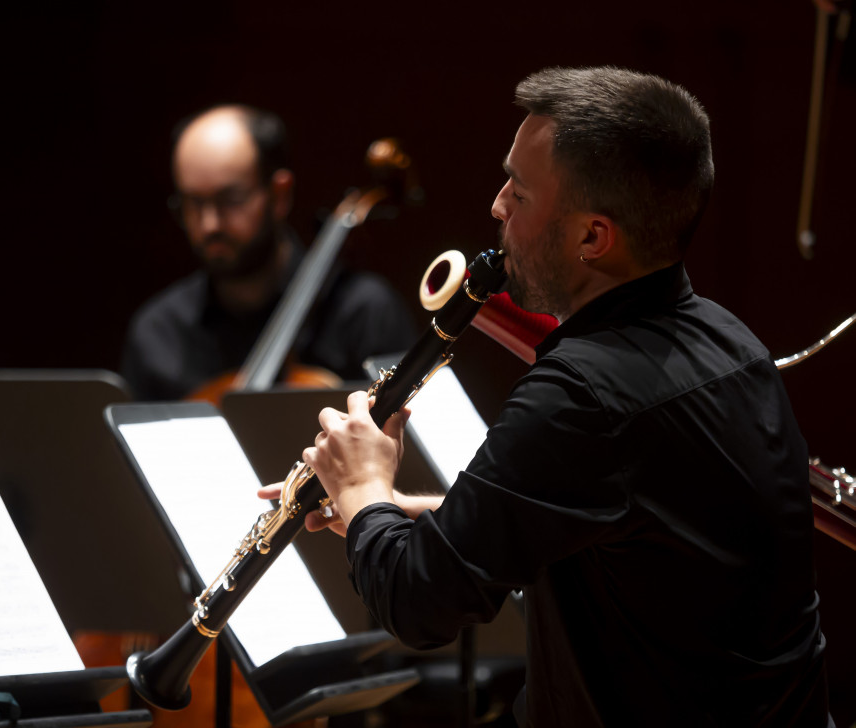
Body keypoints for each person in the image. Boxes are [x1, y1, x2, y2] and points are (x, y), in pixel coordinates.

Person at [276, 67, 833, 726]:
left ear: (592, 237)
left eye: (519, 190)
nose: (496, 205)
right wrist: (400, 511)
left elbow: (417, 604)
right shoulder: (732, 344)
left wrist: (363, 485)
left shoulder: (583, 396)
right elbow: (611, 524)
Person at [120, 104, 416, 401]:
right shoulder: (158, 333)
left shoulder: (366, 314)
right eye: (193, 202)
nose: (209, 224)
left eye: (230, 198)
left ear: (279, 194)